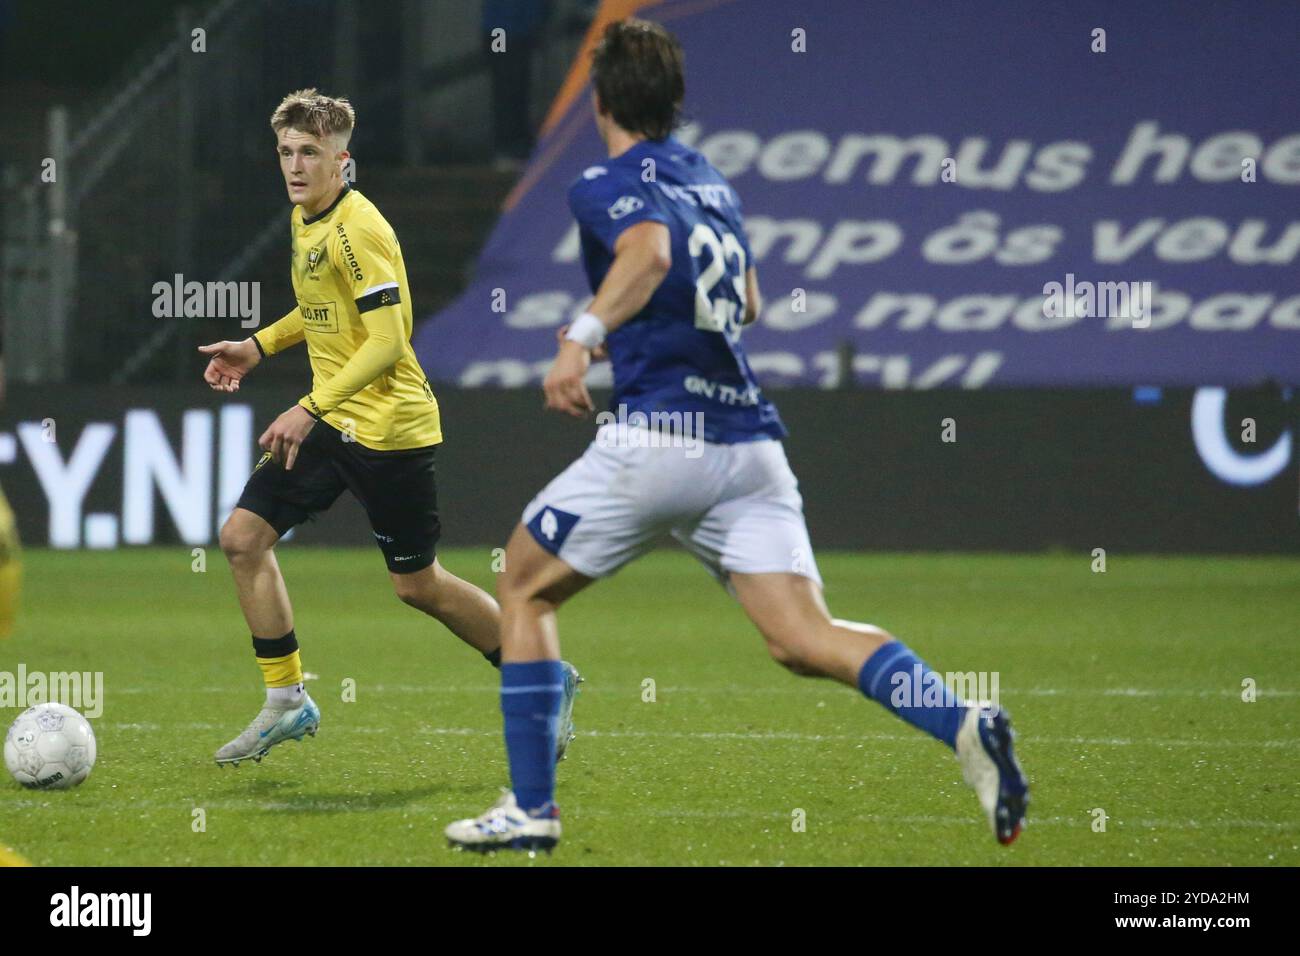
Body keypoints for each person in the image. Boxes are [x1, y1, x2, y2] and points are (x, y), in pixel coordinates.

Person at [445, 20, 1027, 852]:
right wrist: (637, 321)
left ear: (600, 98)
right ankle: (964, 722)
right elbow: (746, 300)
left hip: (661, 438)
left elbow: (646, 254)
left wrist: (580, 334)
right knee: (801, 637)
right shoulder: (711, 182)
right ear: (674, 104)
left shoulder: (602, 181)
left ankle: (532, 809)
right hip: (749, 446)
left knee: (526, 589)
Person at [198, 89, 580, 768]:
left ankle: (543, 674)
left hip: (388, 429)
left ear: (341, 160)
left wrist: (308, 407)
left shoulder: (359, 229)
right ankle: (287, 701)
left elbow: (387, 339)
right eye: (286, 152)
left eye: (309, 152)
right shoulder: (304, 218)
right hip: (332, 418)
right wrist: (257, 347)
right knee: (242, 538)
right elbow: (321, 311)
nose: (294, 165)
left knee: (418, 585)